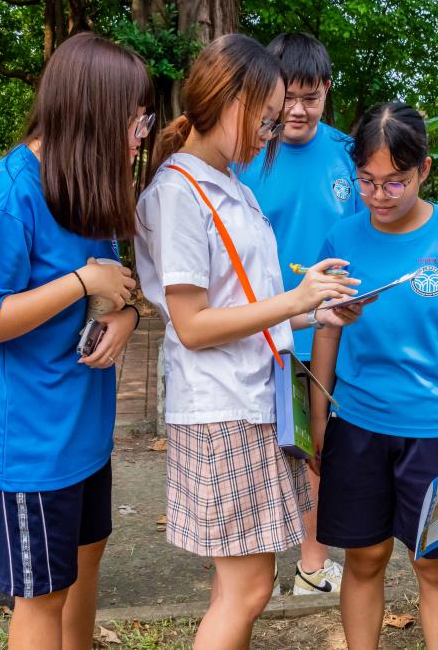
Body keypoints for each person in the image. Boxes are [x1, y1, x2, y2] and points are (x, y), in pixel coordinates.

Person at [134, 33, 362, 650]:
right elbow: (193, 324)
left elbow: (243, 307)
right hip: (219, 408)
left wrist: (317, 314)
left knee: (240, 586)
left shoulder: (224, 182)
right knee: (249, 587)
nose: (270, 131)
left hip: (249, 399)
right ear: (228, 100)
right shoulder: (179, 194)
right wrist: (297, 301)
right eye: (263, 116)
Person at [0, 33, 150, 650]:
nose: (140, 134)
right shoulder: (9, 194)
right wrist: (80, 281)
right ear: (95, 112)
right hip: (28, 446)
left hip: (82, 436)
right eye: (135, 118)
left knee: (84, 570)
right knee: (41, 599)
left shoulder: (84, 184)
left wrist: (127, 317)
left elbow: (113, 288)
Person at [309, 101, 438, 650]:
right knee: (365, 556)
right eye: (367, 182)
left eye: (395, 183)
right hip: (358, 423)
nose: (379, 196)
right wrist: (319, 413)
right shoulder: (342, 240)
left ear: (423, 170)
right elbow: (327, 331)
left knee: (436, 565)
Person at [238, 31, 362, 596]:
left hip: (331, 330)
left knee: (320, 446)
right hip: (262, 327)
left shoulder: (347, 153)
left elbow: (368, 231)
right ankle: (253, 568)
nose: (298, 110)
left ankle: (312, 562)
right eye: (288, 96)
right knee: (260, 450)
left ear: (326, 92)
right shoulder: (246, 154)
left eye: (311, 97)